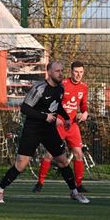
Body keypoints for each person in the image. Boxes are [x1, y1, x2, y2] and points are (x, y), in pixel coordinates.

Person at [0, 61, 90, 204]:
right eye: (57, 71)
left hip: (49, 130)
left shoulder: (60, 89)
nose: (60, 73)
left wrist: (67, 118)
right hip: (33, 130)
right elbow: (25, 108)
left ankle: (74, 192)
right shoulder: (39, 88)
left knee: (63, 161)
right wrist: (45, 117)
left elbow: (57, 107)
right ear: (49, 72)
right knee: (21, 165)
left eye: (62, 70)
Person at [33, 61, 89, 193]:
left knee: (78, 154)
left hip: (73, 126)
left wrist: (85, 112)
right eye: (76, 72)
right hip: (58, 125)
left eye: (81, 72)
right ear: (71, 72)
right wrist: (56, 117)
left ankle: (78, 185)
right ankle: (40, 183)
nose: (78, 74)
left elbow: (83, 104)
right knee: (50, 154)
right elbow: (53, 102)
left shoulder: (84, 87)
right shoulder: (62, 85)